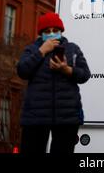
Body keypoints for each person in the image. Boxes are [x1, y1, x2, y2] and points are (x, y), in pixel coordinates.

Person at [17, 12, 91, 153]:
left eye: (55, 31)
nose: (51, 34)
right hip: (35, 117)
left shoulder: (72, 49)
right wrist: (41, 51)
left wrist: (67, 70)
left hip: (67, 116)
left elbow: (85, 74)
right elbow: (22, 71)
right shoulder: (32, 49)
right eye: (47, 31)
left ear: (61, 31)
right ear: (41, 34)